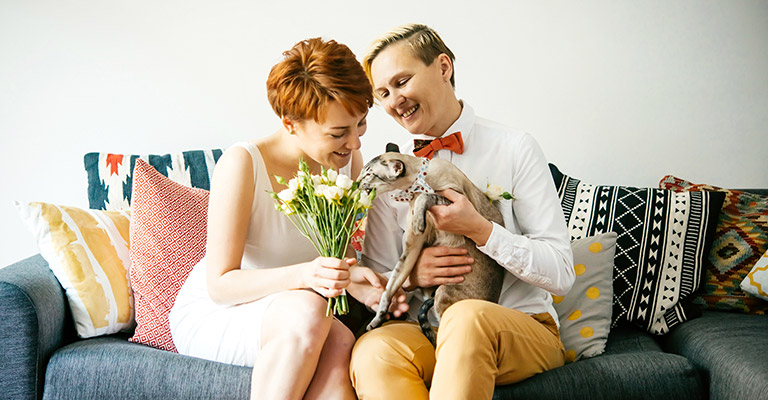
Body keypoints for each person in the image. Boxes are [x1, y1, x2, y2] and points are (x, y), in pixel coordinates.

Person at [168, 37, 406, 400]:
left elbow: (336, 259)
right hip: (221, 311)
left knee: (341, 338)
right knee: (313, 311)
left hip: (300, 312)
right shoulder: (243, 163)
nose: (356, 144)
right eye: (338, 133)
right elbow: (220, 286)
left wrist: (356, 279)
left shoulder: (345, 160)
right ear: (291, 124)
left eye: (361, 124)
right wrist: (306, 275)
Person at [350, 24, 576, 400]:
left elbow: (561, 274)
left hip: (520, 326)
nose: (394, 101)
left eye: (402, 81)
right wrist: (411, 276)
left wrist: (482, 231)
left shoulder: (515, 148)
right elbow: (375, 275)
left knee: (465, 318)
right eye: (383, 93)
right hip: (428, 329)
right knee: (374, 352)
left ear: (443, 68)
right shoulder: (389, 169)